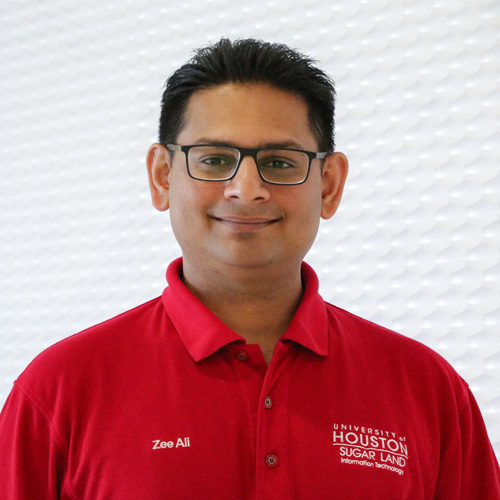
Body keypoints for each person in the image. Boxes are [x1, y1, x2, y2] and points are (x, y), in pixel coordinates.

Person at [0, 38, 498, 500]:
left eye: (280, 162)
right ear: (161, 177)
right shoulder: (58, 391)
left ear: (328, 185)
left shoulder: (427, 390)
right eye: (214, 159)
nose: (246, 189)